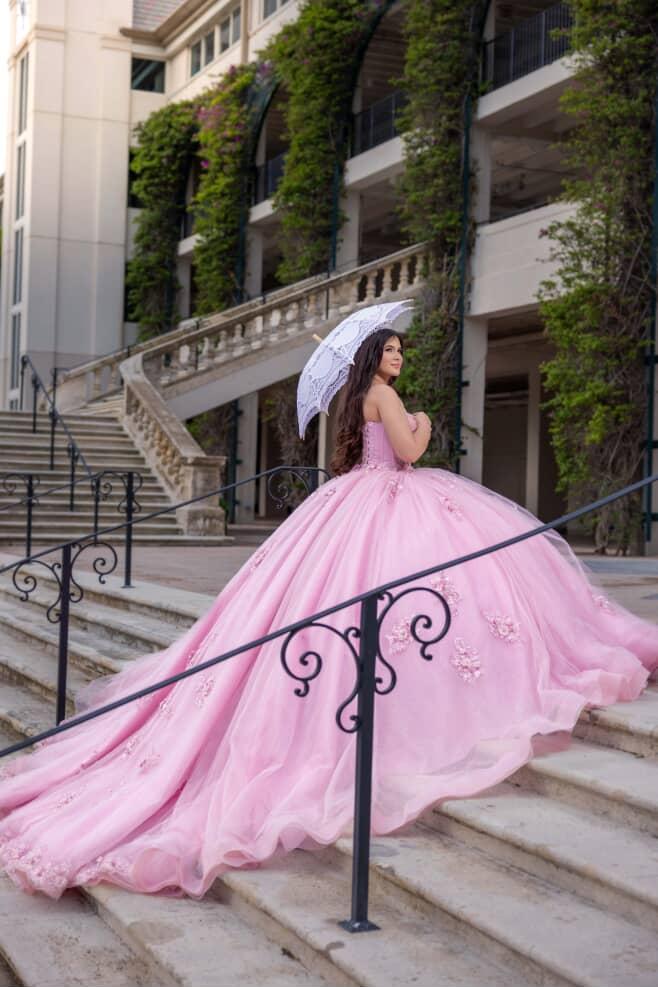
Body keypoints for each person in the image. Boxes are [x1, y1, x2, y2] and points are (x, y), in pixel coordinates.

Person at [0, 327, 656, 900]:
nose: (398, 357)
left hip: (355, 503)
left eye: (400, 350)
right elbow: (409, 452)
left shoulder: (356, 397)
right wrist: (424, 420)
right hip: (392, 499)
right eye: (391, 350)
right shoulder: (386, 395)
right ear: (372, 356)